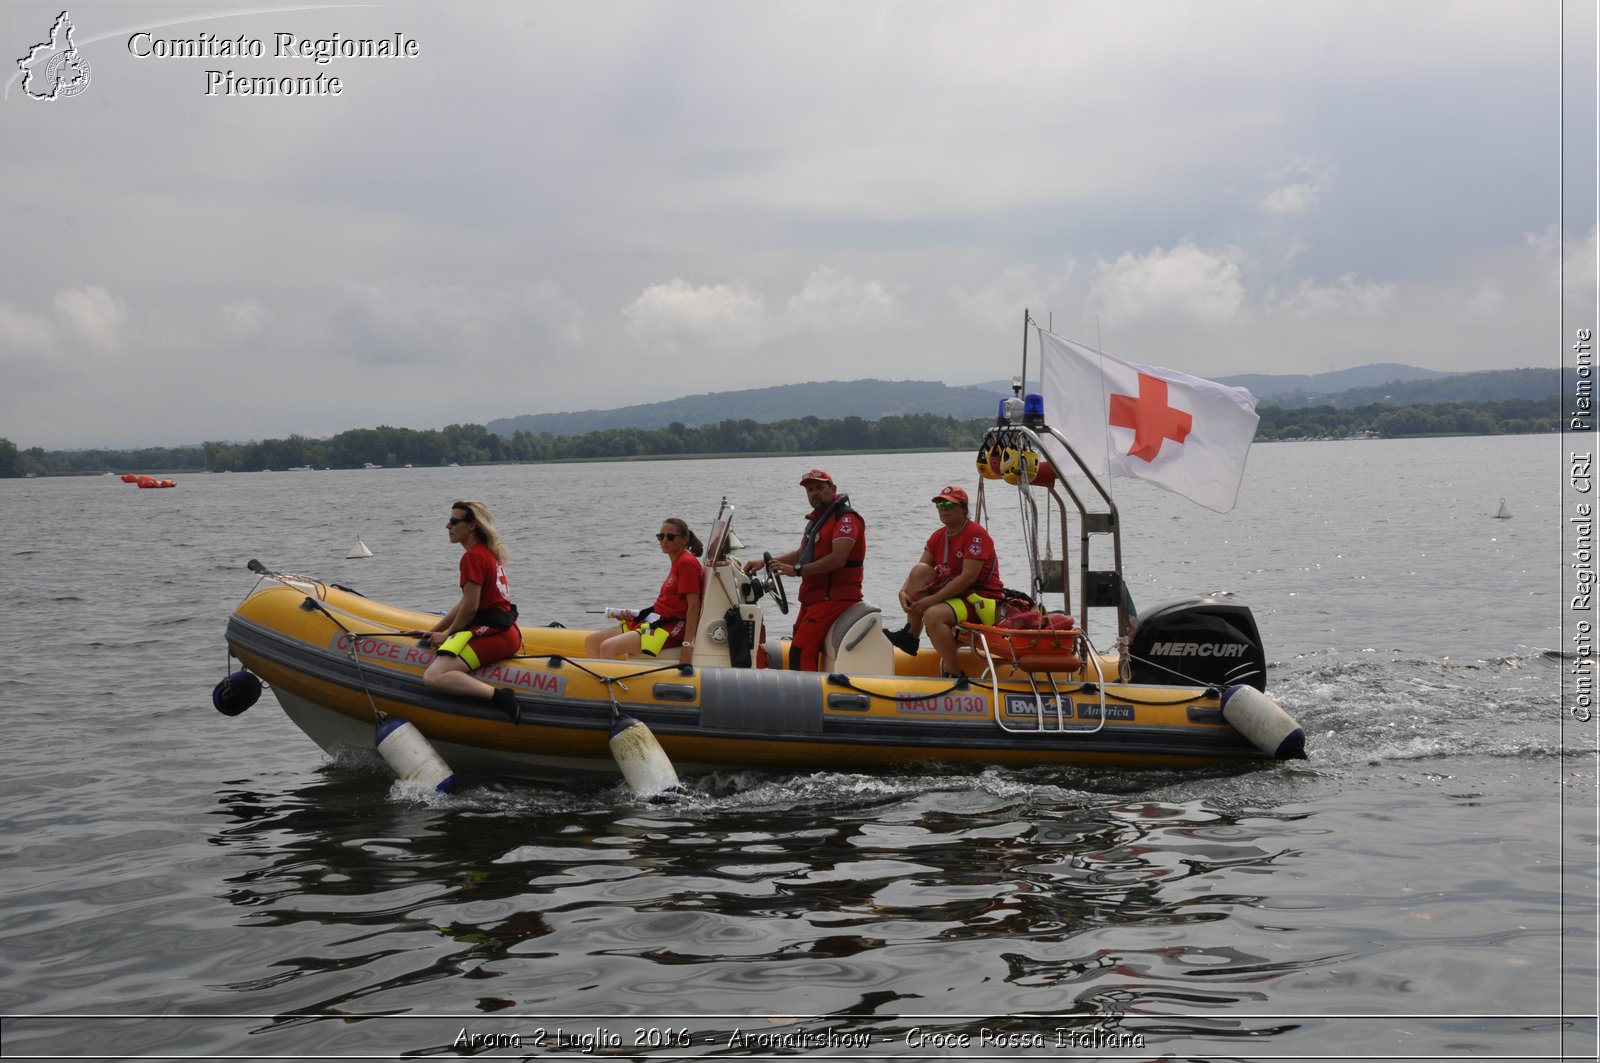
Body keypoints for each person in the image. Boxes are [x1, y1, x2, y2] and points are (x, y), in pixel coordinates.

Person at [399, 500, 524, 723]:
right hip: (504, 632)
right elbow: (465, 603)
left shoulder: (473, 557)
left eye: (454, 521)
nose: (448, 526)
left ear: (471, 525)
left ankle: (500, 696)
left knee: (434, 676)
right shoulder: (486, 553)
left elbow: (471, 607)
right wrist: (434, 630)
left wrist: (447, 635)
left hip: (495, 636)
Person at [743, 468, 865, 671]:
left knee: (800, 651)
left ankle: (808, 699)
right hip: (814, 599)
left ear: (832, 488)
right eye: (809, 489)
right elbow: (803, 553)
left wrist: (797, 571)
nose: (814, 493)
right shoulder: (818, 520)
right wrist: (766, 562)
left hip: (834, 599)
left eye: (819, 487)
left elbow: (838, 559)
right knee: (797, 647)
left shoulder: (846, 519)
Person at [887, 485, 1004, 680]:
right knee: (920, 570)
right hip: (956, 596)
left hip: (981, 598)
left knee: (933, 614)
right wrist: (902, 592)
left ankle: (954, 673)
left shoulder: (975, 535)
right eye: (940, 505)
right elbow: (921, 569)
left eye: (950, 504)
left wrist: (931, 601)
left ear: (963, 508)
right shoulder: (938, 536)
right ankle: (911, 635)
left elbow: (968, 578)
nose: (944, 509)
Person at [585, 518, 705, 664]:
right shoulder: (678, 561)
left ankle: (610, 684)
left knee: (607, 647)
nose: (664, 540)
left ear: (684, 540)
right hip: (656, 620)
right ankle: (600, 681)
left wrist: (687, 645)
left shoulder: (686, 563)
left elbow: (694, 606)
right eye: (661, 536)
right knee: (592, 641)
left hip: (669, 628)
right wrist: (636, 616)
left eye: (670, 537)